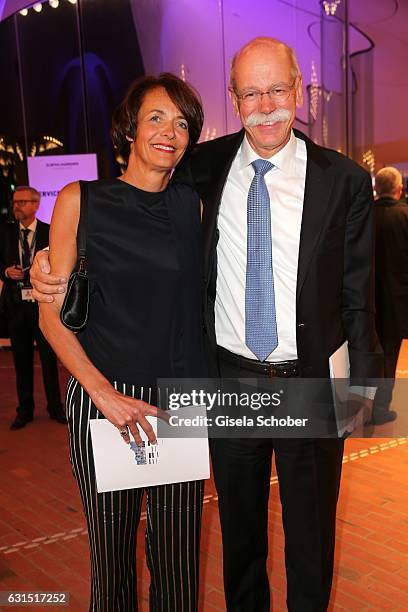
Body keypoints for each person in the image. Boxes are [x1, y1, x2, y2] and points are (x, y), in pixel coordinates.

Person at [31, 38, 383, 612]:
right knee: (239, 539)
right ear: (234, 99)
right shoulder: (203, 167)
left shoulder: (342, 179)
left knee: (310, 541)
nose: (265, 104)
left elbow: (359, 295)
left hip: (311, 384)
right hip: (227, 384)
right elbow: (127, 200)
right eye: (251, 92)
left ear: (298, 90)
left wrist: (365, 391)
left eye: (276, 89)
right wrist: (50, 263)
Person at [35, 74, 206, 611]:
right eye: (156, 118)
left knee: (178, 562)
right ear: (130, 127)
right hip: (104, 399)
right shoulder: (80, 199)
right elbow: (51, 317)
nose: (169, 132)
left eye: (182, 124)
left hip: (179, 401)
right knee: (111, 561)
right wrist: (103, 394)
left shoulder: (191, 208)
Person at [0, 186, 65, 430]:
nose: (17, 206)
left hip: (44, 306)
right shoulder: (5, 232)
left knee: (49, 359)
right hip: (16, 307)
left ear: (36, 205)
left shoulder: (50, 232)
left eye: (23, 202)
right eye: (15, 202)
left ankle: (55, 407)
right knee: (21, 361)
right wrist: (6, 272)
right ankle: (24, 410)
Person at [372, 167, 408, 424]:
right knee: (388, 354)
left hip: (365, 300)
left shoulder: (364, 214)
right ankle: (380, 409)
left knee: (364, 352)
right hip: (396, 300)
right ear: (398, 189)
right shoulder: (405, 216)